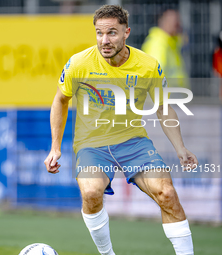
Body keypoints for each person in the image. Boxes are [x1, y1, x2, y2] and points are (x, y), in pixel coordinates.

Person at [44, 5, 198, 255]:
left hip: (133, 142)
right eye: (99, 33)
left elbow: (162, 107)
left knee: (167, 194)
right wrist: (55, 148)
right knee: (92, 193)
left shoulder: (148, 66)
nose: (104, 40)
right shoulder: (79, 63)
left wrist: (180, 148)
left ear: (126, 32)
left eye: (112, 33)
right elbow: (60, 100)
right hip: (91, 145)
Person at [142, 9, 188, 88]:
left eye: (177, 20)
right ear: (162, 22)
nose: (177, 24)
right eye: (172, 21)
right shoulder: (158, 43)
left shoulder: (171, 43)